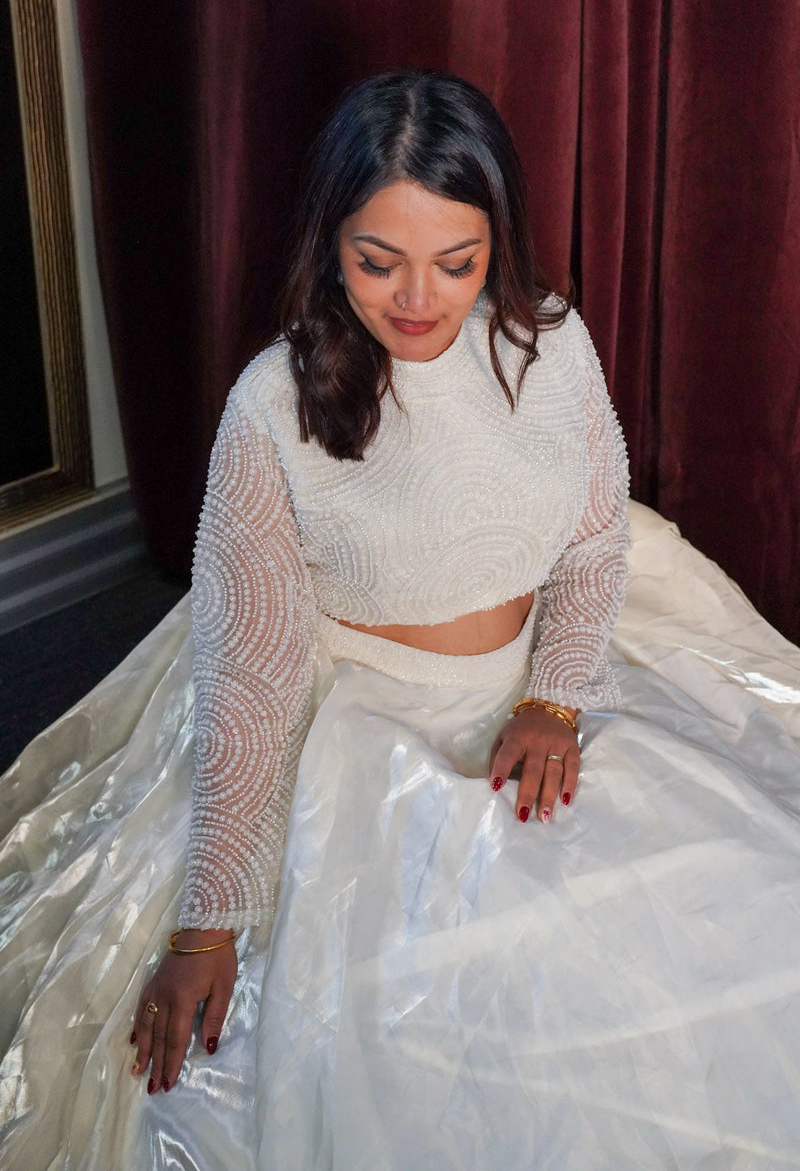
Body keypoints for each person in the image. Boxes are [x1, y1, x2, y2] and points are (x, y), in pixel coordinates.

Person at [2, 70, 800, 1170]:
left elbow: (590, 542)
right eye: (377, 262)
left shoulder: (547, 347)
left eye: (456, 262)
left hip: (530, 694)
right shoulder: (268, 411)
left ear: (496, 246)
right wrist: (206, 927)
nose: (417, 299)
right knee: (406, 1031)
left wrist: (554, 699)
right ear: (329, 243)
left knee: (727, 926)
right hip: (357, 725)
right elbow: (252, 672)